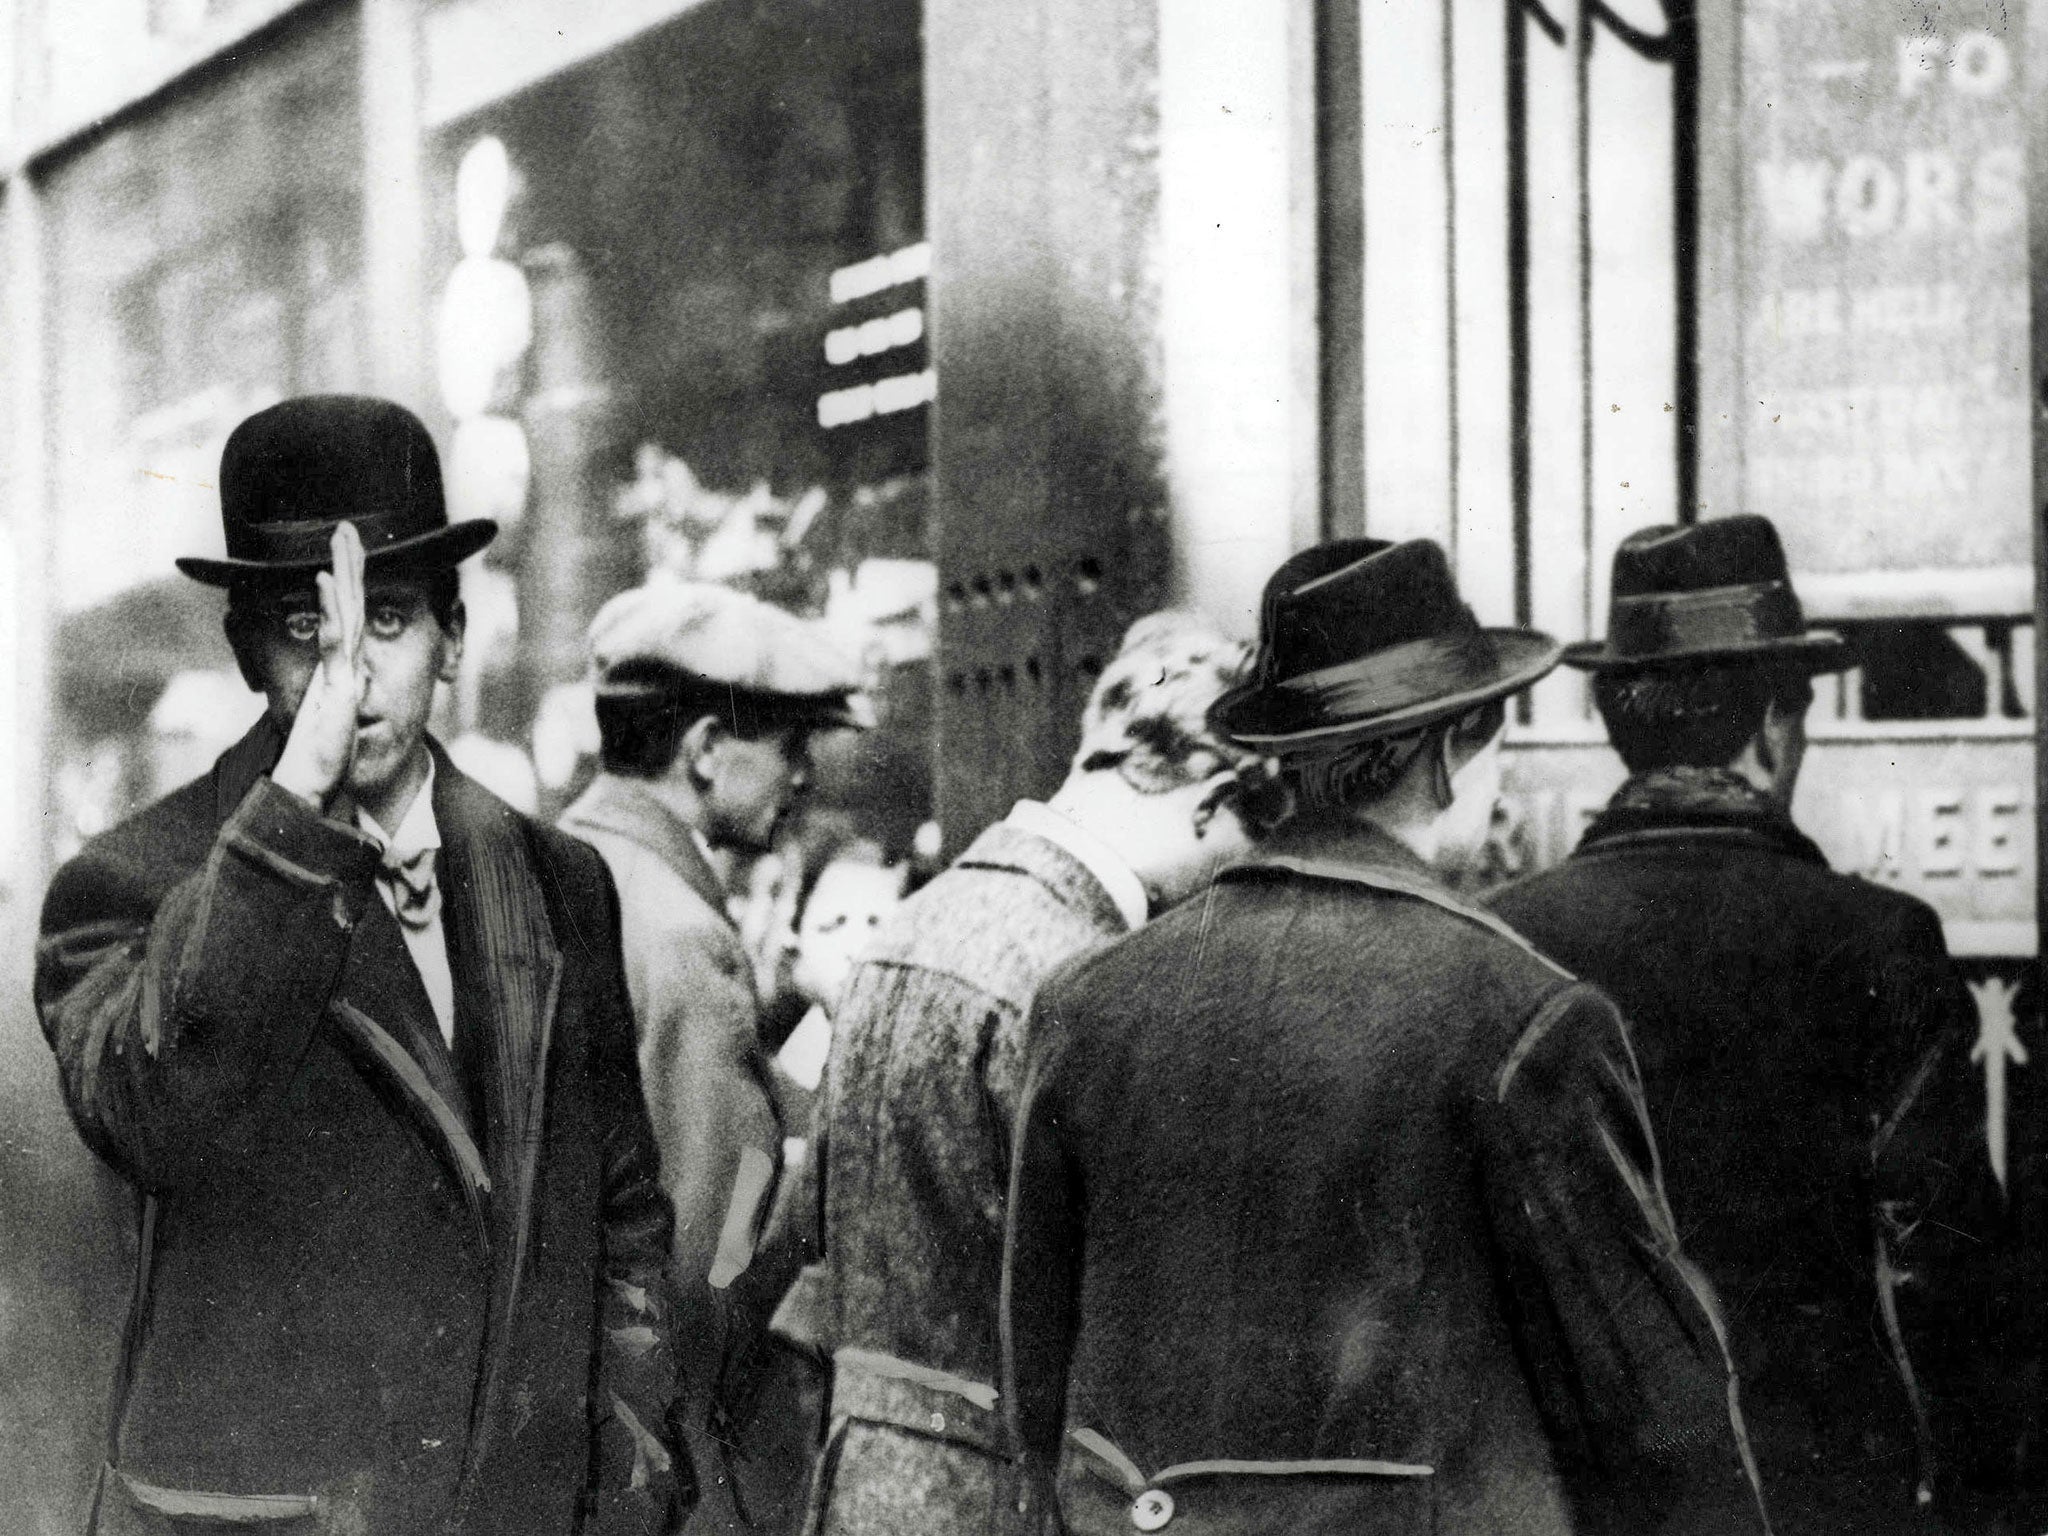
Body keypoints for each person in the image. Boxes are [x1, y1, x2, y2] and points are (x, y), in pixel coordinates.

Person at [1004, 539, 1768, 1536]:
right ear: (1455, 749)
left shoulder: (1085, 1004)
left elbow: (1036, 1398)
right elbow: (1656, 1419)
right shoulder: (1518, 1016)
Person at [36, 396, 685, 1536]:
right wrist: (297, 806)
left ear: (453, 629)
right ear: (247, 651)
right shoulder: (127, 886)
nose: (353, 672)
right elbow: (153, 1112)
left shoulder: (555, 880)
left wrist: (624, 1478)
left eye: (386, 620)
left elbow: (623, 1210)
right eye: (305, 630)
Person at [1487, 516, 2019, 1532]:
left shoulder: (1503, 938)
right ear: (1775, 724)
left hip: (1582, 1496)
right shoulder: (1877, 940)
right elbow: (1940, 1267)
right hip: (1818, 1492)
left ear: (1614, 723)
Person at [780, 612, 1260, 1536]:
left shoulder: (908, 928)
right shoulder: (1088, 982)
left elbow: (814, 1232)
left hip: (859, 1483)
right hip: (1006, 1498)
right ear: (1213, 800)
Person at [556, 580, 866, 1524]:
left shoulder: (558, 866)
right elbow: (714, 1259)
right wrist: (810, 1174)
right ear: (701, 752)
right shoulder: (688, 940)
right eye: (788, 744)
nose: (804, 775)